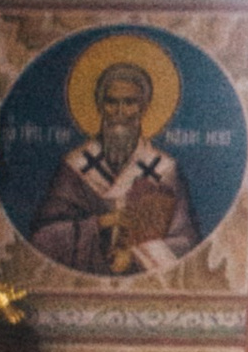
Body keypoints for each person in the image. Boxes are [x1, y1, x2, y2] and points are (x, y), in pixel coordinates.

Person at [30, 60, 201, 277]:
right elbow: (42, 238)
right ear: (100, 106)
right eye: (112, 102)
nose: (120, 111)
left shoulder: (164, 170)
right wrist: (102, 223)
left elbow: (186, 242)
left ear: (144, 107)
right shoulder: (75, 167)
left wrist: (135, 256)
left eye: (130, 102)